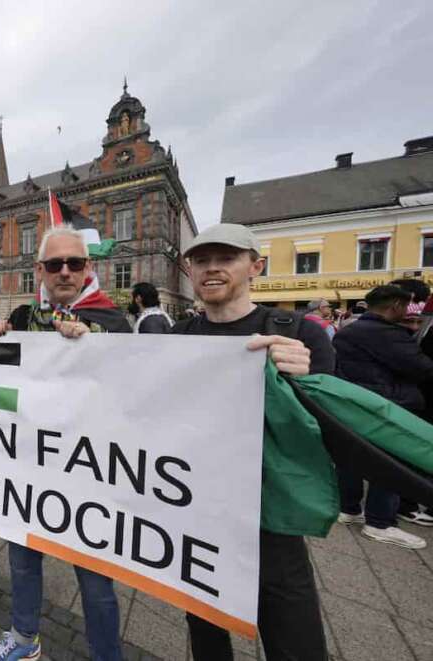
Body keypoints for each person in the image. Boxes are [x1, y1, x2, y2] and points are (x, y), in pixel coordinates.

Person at [169, 223, 333, 661]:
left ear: (255, 266)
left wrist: (307, 378)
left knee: (294, 640)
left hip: (271, 518)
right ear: (189, 271)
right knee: (204, 632)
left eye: (226, 258)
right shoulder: (174, 338)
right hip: (195, 511)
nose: (212, 269)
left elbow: (329, 429)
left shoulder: (300, 333)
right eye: (201, 260)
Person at [0, 226, 130, 661]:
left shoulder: (113, 321)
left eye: (75, 263)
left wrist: (94, 344)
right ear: (39, 270)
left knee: (96, 582)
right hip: (29, 465)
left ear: (89, 269)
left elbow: (136, 392)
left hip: (89, 471)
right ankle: (24, 638)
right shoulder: (25, 318)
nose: (64, 272)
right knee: (23, 562)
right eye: (54, 264)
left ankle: (107, 656)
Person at [333, 285, 433, 542]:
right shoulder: (389, 334)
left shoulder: (350, 329)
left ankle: (349, 508)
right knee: (389, 464)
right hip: (387, 405)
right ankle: (379, 522)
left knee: (350, 458)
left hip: (354, 402)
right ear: (396, 306)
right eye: (408, 305)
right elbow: (423, 368)